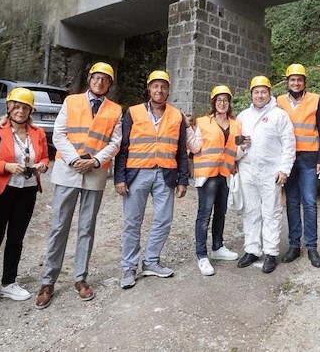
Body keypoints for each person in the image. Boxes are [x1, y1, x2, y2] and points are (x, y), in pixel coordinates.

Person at [35, 62, 122, 309]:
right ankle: (47, 281)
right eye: (96, 77)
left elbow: (115, 142)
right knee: (59, 226)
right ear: (89, 78)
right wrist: (75, 159)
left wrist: (94, 161)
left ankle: (80, 278)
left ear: (109, 84)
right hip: (68, 171)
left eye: (105, 79)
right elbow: (59, 134)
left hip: (94, 173)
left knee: (87, 227)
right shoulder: (71, 101)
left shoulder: (115, 110)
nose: (100, 82)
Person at [0, 88, 49, 316]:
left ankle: (8, 282)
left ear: (30, 110)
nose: (20, 110)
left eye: (25, 107)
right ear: (9, 107)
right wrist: (6, 166)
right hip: (0, 192)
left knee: (16, 238)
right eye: (16, 105)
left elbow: (44, 156)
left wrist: (42, 165)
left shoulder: (38, 133)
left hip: (27, 191)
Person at [115, 70, 188, 289]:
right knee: (132, 222)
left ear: (168, 89)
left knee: (164, 219)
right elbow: (123, 147)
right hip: (137, 173)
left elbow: (181, 151)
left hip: (166, 174)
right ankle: (128, 267)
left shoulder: (177, 115)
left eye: (164, 86)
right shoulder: (134, 113)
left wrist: (183, 179)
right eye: (155, 86)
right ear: (149, 88)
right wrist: (120, 177)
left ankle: (151, 261)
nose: (159, 90)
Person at [236, 75, 295, 274]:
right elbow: (234, 144)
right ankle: (252, 249)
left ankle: (270, 252)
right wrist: (241, 151)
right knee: (250, 211)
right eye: (256, 92)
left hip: (271, 172)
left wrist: (284, 170)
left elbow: (289, 144)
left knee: (271, 212)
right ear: (251, 94)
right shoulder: (243, 116)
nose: (260, 95)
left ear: (269, 93)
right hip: (248, 170)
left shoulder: (280, 115)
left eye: (263, 91)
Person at [277, 64, 320, 268]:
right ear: (287, 81)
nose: (296, 83)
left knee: (309, 202)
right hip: (287, 159)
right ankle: (294, 245)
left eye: (299, 80)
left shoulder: (316, 100)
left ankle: (312, 246)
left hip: (309, 158)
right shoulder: (279, 101)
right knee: (291, 202)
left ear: (304, 82)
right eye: (292, 80)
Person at [186, 85, 241, 276]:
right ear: (213, 102)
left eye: (225, 100)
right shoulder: (202, 122)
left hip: (225, 174)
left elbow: (238, 151)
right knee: (204, 216)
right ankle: (202, 255)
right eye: (219, 100)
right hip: (207, 175)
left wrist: (246, 145)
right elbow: (194, 147)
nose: (222, 103)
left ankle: (218, 247)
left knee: (221, 213)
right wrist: (187, 128)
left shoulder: (235, 124)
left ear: (229, 103)